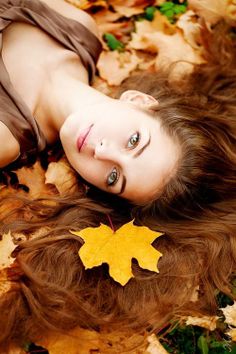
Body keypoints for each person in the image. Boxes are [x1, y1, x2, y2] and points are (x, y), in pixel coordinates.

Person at [0, 0, 235, 350]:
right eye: (134, 140)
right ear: (140, 100)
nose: (102, 151)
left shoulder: (4, 135)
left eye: (113, 177)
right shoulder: (78, 27)